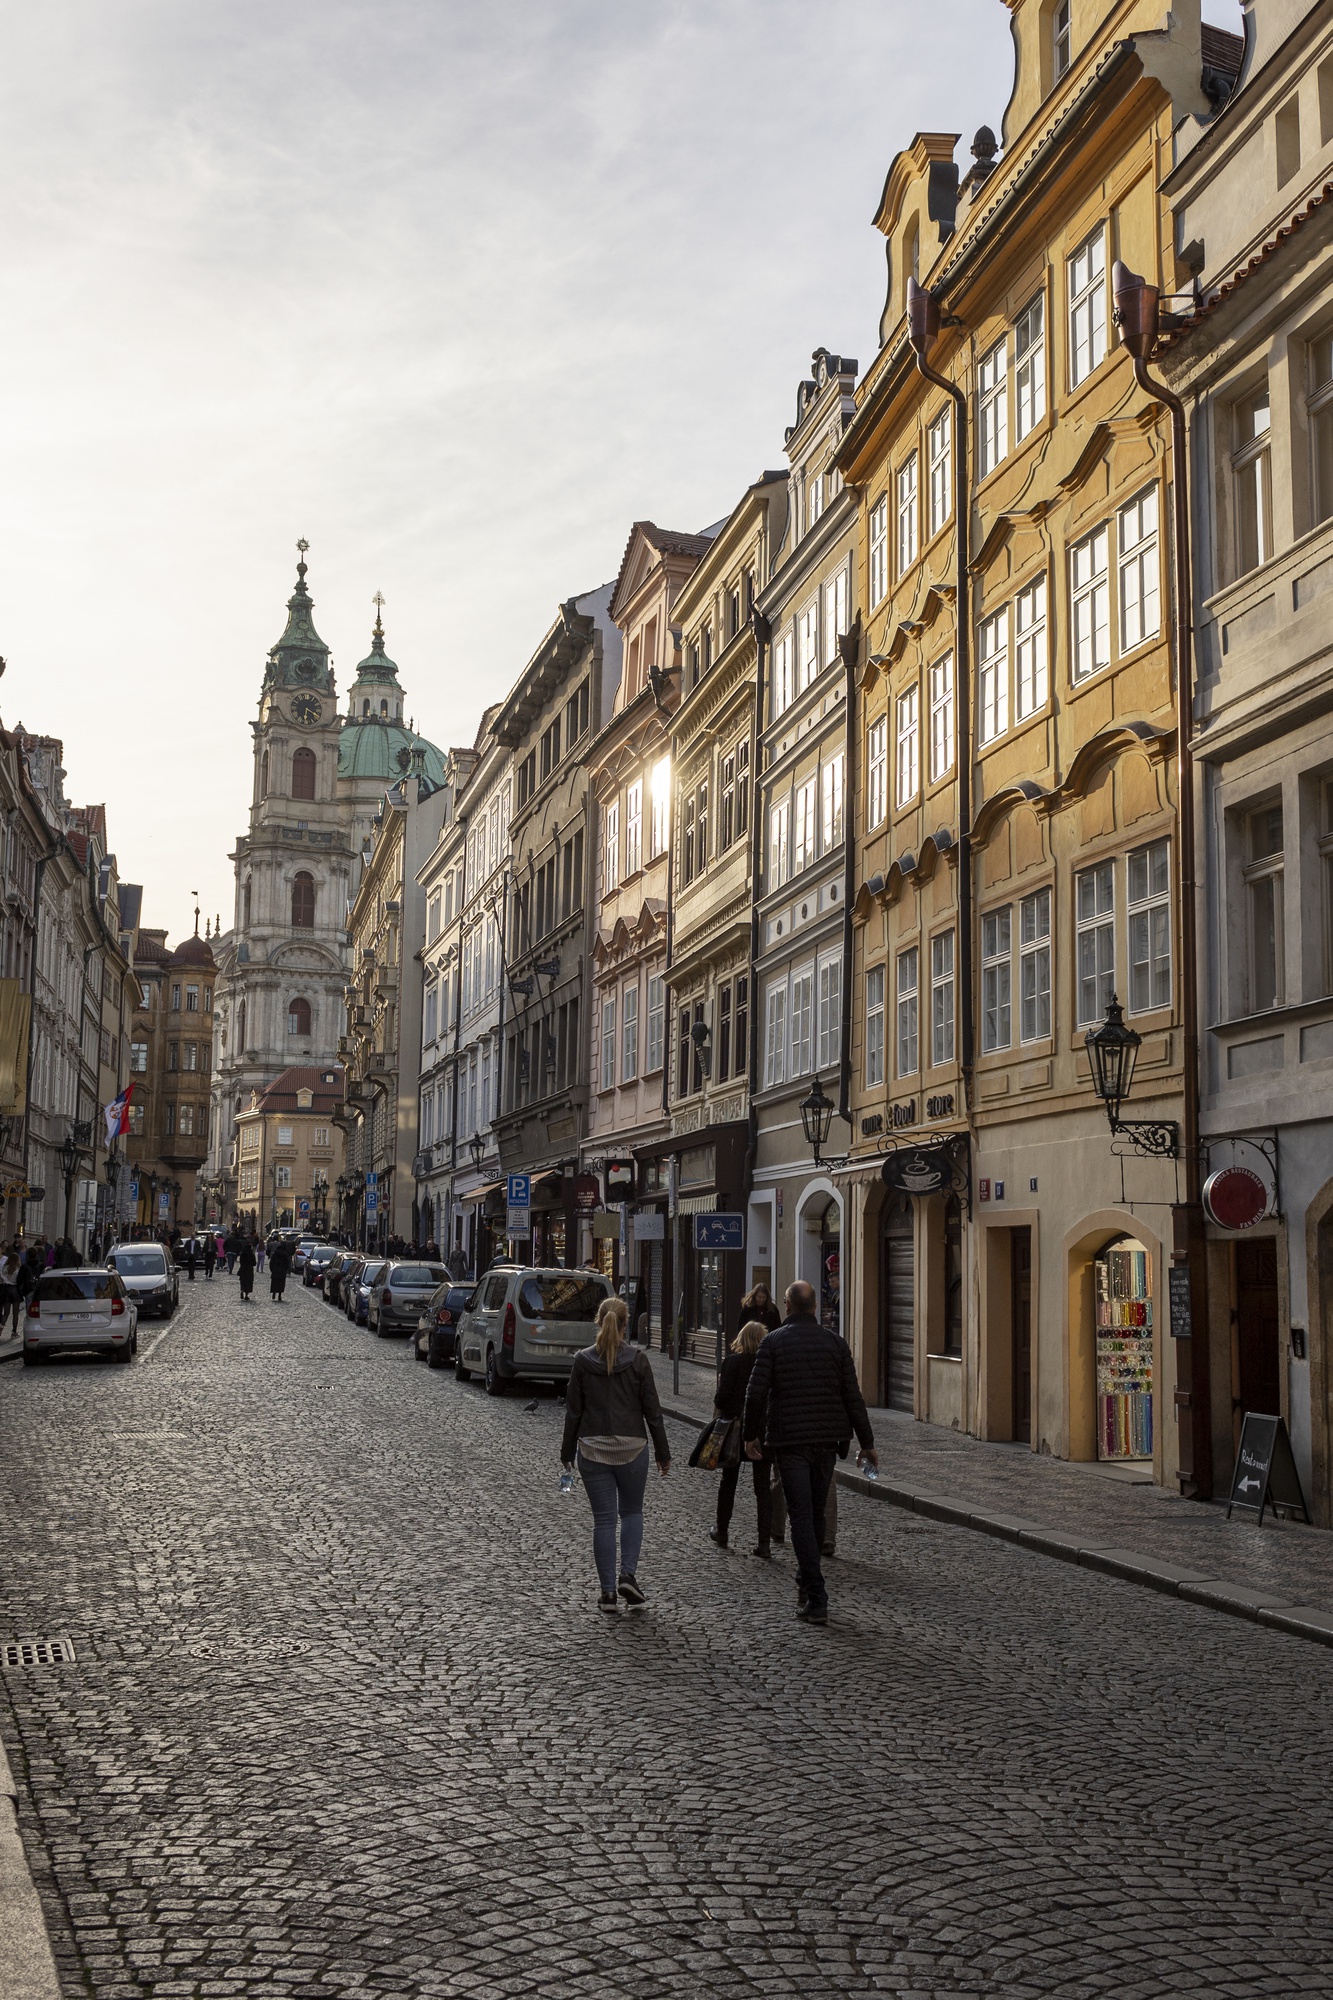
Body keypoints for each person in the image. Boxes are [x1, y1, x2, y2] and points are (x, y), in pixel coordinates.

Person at [743, 1279, 876, 1627]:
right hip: (827, 1441)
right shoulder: (836, 1343)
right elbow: (853, 1397)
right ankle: (807, 1579)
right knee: (814, 1513)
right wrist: (868, 1442)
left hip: (790, 1441)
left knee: (801, 1514)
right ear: (815, 1307)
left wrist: (750, 1436)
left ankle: (815, 1593)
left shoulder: (773, 1343)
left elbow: (755, 1395)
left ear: (787, 1306)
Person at [561, 1295, 671, 1613]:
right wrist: (663, 1453)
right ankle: (628, 1575)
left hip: (593, 1450)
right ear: (626, 1324)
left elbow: (573, 1412)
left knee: (604, 1521)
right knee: (632, 1513)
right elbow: (653, 1412)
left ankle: (608, 1593)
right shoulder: (638, 1360)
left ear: (599, 1321)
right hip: (633, 1448)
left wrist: (567, 1451)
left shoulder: (582, 1361)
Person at [709, 1318, 774, 1556]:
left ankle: (722, 1530)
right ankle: (764, 1543)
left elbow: (722, 1398)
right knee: (762, 1488)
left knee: (729, 1482)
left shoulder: (732, 1363)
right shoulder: (768, 1364)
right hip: (761, 1430)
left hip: (734, 1430)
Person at [269, 1238, 291, 1302]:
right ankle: (279, 1295)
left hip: (275, 1271)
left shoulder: (275, 1255)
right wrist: (286, 1270)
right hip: (282, 1271)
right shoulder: (285, 1255)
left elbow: (271, 1263)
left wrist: (272, 1270)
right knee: (281, 1284)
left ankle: (274, 1292)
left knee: (274, 1283)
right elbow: (287, 1263)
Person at [237, 1236, 256, 1304]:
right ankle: (246, 1295)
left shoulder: (243, 1253)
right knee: (248, 1282)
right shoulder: (251, 1254)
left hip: (243, 1268)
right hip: (249, 1270)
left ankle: (242, 1289)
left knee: (243, 1281)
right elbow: (254, 1263)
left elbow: (241, 1260)